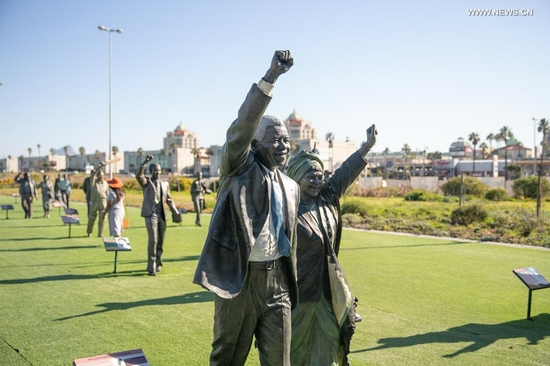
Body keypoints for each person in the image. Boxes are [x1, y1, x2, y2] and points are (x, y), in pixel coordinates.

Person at [193, 50, 299, 365]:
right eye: (275, 139)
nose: (283, 145)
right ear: (255, 144)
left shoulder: (291, 187)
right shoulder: (238, 169)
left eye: (286, 141)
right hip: (240, 281)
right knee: (227, 358)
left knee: (280, 360)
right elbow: (242, 128)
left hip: (277, 283)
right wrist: (271, 78)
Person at [285, 125, 377, 366]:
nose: (317, 181)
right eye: (311, 176)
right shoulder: (284, 207)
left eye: (320, 176)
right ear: (296, 177)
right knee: (294, 352)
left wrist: (366, 147)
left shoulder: (327, 197)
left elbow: (345, 172)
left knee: (329, 348)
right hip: (297, 295)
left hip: (327, 293)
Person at [137, 156, 182, 276]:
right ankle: (151, 266)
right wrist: (145, 162)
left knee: (161, 240)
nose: (158, 172)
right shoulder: (146, 183)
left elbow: (169, 199)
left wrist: (175, 212)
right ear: (151, 171)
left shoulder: (165, 184)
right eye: (155, 170)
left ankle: (158, 262)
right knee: (153, 239)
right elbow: (138, 176)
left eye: (159, 170)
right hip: (150, 214)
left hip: (162, 214)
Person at [87, 165, 110, 237]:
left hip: (103, 201)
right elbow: (92, 175)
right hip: (94, 201)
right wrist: (99, 167)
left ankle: (100, 233)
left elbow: (108, 193)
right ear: (97, 175)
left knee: (102, 218)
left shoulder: (106, 183)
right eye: (100, 175)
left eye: (102, 175)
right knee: (91, 218)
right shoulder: (93, 182)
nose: (101, 176)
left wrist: (108, 202)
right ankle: (89, 232)